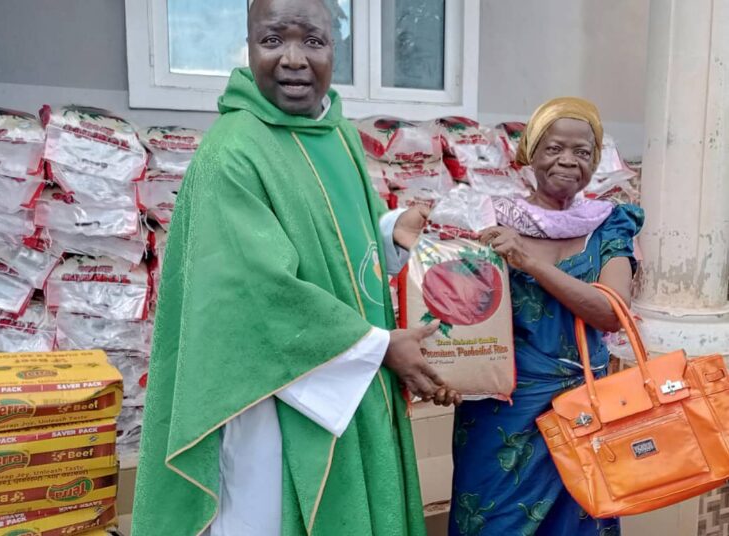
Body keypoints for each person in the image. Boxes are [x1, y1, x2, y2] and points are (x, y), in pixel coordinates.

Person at [130, 0, 460, 535]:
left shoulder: (338, 133)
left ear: (336, 48)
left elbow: (333, 241)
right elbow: (255, 293)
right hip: (273, 399)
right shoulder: (231, 154)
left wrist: (388, 230)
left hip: (352, 378)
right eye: (272, 40)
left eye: (312, 41)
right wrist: (378, 346)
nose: (293, 59)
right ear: (247, 47)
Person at [449, 97, 643, 536]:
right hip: (503, 415)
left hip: (584, 413)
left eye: (582, 152)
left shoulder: (608, 225)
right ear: (531, 153)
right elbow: (456, 308)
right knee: (493, 524)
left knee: (578, 522)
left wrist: (530, 262)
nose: (568, 162)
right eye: (554, 149)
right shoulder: (490, 220)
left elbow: (611, 312)